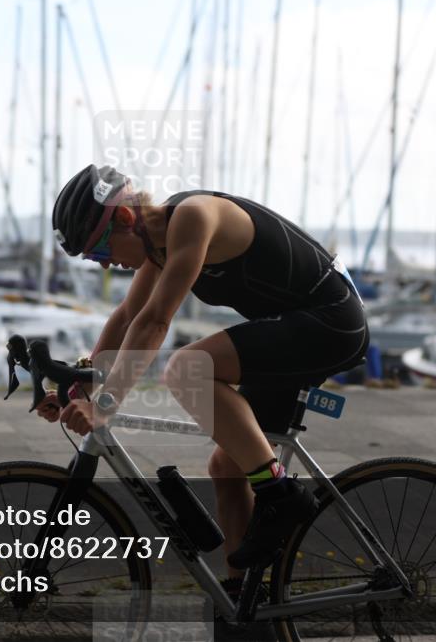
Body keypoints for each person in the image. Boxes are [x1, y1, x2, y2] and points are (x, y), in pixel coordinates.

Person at [36, 164, 368, 599]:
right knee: (227, 468)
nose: (105, 263)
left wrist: (105, 406)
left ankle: (281, 494)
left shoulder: (193, 217)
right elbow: (126, 318)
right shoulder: (157, 246)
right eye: (91, 259)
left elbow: (155, 322)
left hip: (332, 322)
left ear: (124, 219)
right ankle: (243, 603)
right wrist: (81, 387)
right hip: (295, 326)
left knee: (188, 368)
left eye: (99, 250)